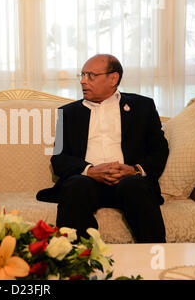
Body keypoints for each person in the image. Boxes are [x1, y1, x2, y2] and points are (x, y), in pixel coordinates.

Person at [37, 54, 169, 243]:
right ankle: (78, 262)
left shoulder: (142, 107)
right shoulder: (68, 113)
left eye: (91, 75)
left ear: (113, 78)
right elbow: (59, 159)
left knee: (135, 186)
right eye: (82, 75)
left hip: (128, 181)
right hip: (87, 183)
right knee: (76, 186)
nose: (83, 81)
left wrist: (134, 170)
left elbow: (159, 150)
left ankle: (155, 260)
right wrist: (90, 171)